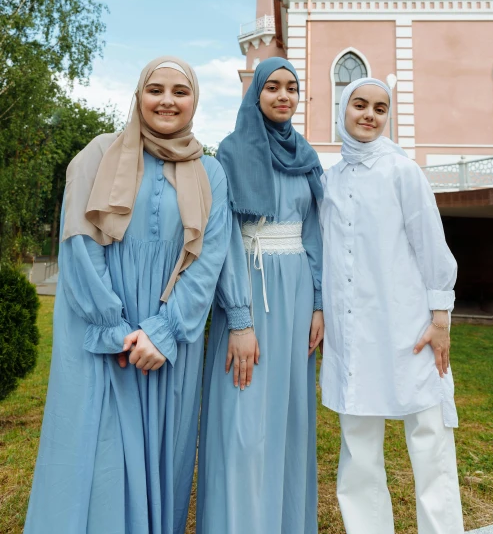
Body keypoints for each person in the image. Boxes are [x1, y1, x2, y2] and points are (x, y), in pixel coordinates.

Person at [25, 56, 248, 534]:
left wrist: (163, 332)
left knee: (163, 459)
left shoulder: (211, 172)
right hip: (106, 341)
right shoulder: (98, 154)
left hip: (168, 343)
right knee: (101, 461)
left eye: (180, 92)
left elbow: (208, 261)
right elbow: (80, 244)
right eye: (156, 89)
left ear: (194, 101)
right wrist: (116, 329)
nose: (167, 100)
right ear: (139, 95)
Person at [320, 77, 464, 534]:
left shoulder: (404, 171)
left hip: (409, 328)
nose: (369, 115)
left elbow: (432, 248)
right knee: (358, 451)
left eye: (380, 108)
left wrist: (440, 318)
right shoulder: (329, 179)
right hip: (351, 334)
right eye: (359, 105)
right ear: (342, 109)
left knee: (429, 443)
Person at [196, 57, 324, 534]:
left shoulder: (307, 156)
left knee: (287, 417)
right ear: (255, 94)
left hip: (294, 297)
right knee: (244, 422)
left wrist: (318, 303)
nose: (283, 95)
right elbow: (224, 237)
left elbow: (315, 232)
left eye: (291, 87)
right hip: (247, 288)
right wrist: (241, 319)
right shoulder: (231, 151)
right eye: (272, 87)